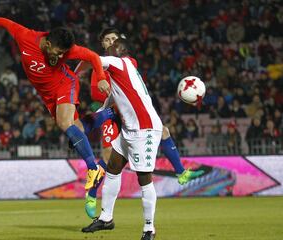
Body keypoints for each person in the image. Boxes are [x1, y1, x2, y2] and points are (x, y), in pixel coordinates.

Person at [0, 8, 114, 190]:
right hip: (47, 94)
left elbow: (92, 56)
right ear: (48, 43)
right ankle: (109, 113)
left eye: (63, 54)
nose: (60, 57)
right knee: (76, 129)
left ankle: (93, 168)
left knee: (66, 124)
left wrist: (100, 77)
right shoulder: (26, 37)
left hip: (64, 84)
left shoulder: (66, 50)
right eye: (58, 52)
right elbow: (6, 23)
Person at [76, 28, 204, 219]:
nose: (112, 42)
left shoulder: (128, 61)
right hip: (112, 111)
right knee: (109, 154)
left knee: (163, 130)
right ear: (102, 43)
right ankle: (92, 193)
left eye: (115, 39)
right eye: (108, 40)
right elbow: (97, 91)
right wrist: (75, 74)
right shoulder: (98, 68)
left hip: (132, 113)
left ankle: (181, 172)